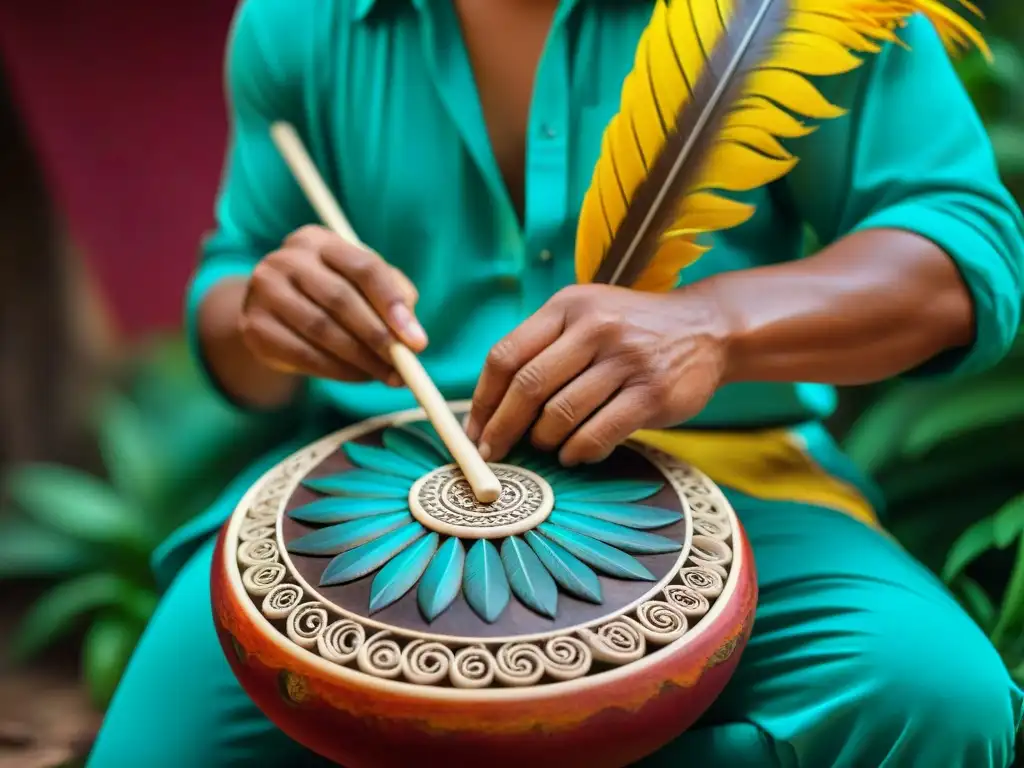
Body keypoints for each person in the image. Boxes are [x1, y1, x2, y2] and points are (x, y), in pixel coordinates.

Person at [89, 1, 1024, 766]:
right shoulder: (296, 24)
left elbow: (961, 254)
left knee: (934, 693)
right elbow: (232, 298)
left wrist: (714, 324)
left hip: (731, 487)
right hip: (352, 507)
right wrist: (269, 310)